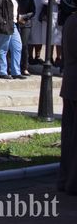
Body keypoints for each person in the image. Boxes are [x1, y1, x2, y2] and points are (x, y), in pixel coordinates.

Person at [58, 11, 77, 194]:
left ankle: (65, 180)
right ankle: (72, 183)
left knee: (69, 136)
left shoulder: (71, 20)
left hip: (70, 84)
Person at [26, 0, 47, 64]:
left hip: (42, 14)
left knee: (40, 37)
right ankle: (30, 56)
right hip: (31, 14)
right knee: (31, 37)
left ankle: (37, 56)